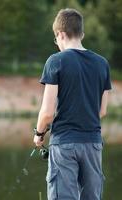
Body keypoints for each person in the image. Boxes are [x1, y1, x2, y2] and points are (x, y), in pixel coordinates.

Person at [33, 8, 112, 200]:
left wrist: (39, 133)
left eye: (56, 39)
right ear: (82, 34)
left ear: (60, 34)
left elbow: (47, 113)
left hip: (64, 144)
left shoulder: (55, 61)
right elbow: (102, 111)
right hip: (93, 144)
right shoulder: (102, 64)